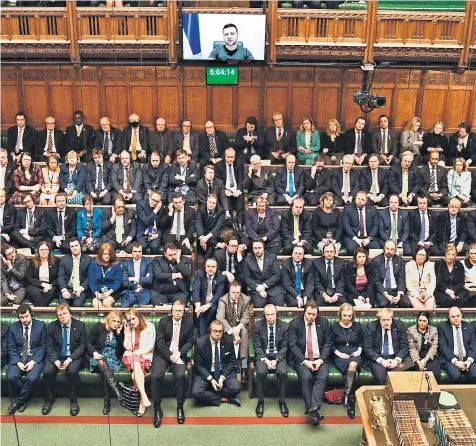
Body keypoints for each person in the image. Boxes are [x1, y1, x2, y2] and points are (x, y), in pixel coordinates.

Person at [151, 299, 194, 428]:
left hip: (179, 354)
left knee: (181, 375)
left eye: (180, 311)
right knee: (155, 376)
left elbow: (190, 341)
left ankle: (180, 407)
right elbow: (160, 342)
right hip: (163, 354)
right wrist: (170, 356)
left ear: (184, 311)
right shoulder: (163, 322)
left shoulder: (189, 323)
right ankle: (157, 409)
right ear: (172, 311)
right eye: (175, 310)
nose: (178, 313)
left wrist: (179, 353)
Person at [289, 301, 331, 425]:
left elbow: (328, 343)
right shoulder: (295, 324)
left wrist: (321, 360)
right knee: (306, 377)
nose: (312, 317)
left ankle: (312, 411)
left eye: (314, 314)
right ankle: (312, 410)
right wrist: (305, 362)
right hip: (302, 359)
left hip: (319, 359)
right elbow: (293, 345)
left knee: (322, 377)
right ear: (304, 312)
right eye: (309, 314)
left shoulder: (324, 323)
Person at [42, 303, 87, 416]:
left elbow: (82, 346)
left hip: (73, 356)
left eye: (65, 313)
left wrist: (70, 359)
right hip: (56, 356)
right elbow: (49, 347)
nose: (62, 317)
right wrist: (56, 361)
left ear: (70, 313)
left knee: (71, 371)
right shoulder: (52, 326)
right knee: (47, 371)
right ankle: (49, 399)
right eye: (59, 315)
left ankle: (73, 400)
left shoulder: (80, 325)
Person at [6, 304, 46, 415]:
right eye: (22, 317)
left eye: (27, 316)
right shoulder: (13, 327)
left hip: (34, 357)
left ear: (31, 314)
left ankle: (18, 401)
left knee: (31, 378)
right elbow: (11, 348)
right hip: (18, 357)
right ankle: (25, 397)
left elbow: (43, 347)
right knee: (12, 377)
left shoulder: (41, 325)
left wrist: (33, 361)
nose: (25, 320)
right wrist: (17, 361)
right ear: (18, 317)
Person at [192, 319, 241, 407]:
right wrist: (210, 379)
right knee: (196, 393)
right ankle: (224, 399)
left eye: (220, 331)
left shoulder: (228, 341)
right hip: (207, 372)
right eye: (215, 331)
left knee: (236, 388)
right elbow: (198, 365)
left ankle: (210, 392)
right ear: (210, 330)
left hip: (223, 371)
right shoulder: (200, 343)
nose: (218, 334)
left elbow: (232, 361)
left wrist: (223, 377)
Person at [253, 303, 289, 418]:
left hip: (278, 355)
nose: (270, 317)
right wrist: (266, 361)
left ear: (276, 314)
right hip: (264, 355)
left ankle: (282, 401)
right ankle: (260, 401)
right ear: (264, 315)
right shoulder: (258, 325)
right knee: (260, 372)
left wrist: (276, 360)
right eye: (267, 315)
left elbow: (285, 347)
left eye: (272, 314)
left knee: (283, 373)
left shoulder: (284, 326)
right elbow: (257, 346)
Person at [86, 310, 124, 415]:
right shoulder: (99, 327)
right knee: (103, 364)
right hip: (98, 356)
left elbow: (122, 348)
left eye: (118, 322)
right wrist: (94, 353)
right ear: (108, 319)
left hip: (113, 359)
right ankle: (117, 392)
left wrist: (119, 333)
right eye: (114, 321)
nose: (116, 324)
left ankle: (108, 401)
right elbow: (88, 343)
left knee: (106, 371)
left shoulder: (119, 331)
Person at [330, 304, 363, 419]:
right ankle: (350, 397)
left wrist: (359, 350)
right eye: (345, 315)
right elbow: (330, 345)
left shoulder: (357, 326)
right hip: (339, 355)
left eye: (349, 315)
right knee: (352, 366)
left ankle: (348, 396)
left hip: (354, 354)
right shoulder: (334, 327)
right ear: (340, 314)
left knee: (353, 364)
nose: (347, 318)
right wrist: (339, 354)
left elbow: (361, 342)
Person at [363, 308, 410, 385]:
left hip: (395, 357)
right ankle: (388, 396)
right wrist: (381, 361)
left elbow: (404, 346)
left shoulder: (399, 325)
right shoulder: (371, 327)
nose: (386, 322)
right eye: (383, 320)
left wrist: (397, 360)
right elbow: (368, 349)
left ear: (392, 318)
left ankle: (400, 396)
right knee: (382, 378)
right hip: (378, 358)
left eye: (388, 320)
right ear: (379, 320)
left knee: (400, 377)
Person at [122, 309, 156, 416]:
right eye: (129, 320)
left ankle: (142, 399)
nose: (131, 322)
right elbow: (127, 347)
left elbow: (151, 346)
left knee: (134, 376)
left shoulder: (150, 326)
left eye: (133, 318)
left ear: (139, 317)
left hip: (144, 356)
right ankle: (143, 398)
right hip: (130, 357)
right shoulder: (129, 328)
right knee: (136, 364)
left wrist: (136, 353)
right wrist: (127, 332)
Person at [217, 281, 250, 383]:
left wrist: (238, 327)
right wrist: (232, 331)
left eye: (237, 293)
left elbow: (246, 317)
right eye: (233, 292)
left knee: (244, 331)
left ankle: (244, 367)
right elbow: (220, 318)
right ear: (229, 291)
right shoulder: (223, 300)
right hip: (228, 328)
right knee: (228, 335)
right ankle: (233, 363)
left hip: (239, 326)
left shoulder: (245, 299)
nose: (235, 295)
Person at [242, 237, 285, 308]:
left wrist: (264, 286)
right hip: (257, 288)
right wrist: (257, 288)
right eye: (255, 248)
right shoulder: (247, 260)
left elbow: (276, 275)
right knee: (259, 305)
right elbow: (247, 278)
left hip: (272, 287)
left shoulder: (272, 257)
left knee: (279, 303)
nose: (257, 250)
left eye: (259, 248)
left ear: (263, 247)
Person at [438, 306, 476, 384]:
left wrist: (469, 360)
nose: (456, 318)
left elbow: (473, 345)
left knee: (474, 375)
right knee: (455, 376)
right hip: (450, 359)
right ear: (449, 317)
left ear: (461, 315)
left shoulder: (469, 327)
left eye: (458, 316)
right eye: (453, 316)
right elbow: (443, 347)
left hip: (468, 358)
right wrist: (455, 361)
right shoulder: (442, 327)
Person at [372, 240, 412, 308]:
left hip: (396, 290)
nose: (389, 251)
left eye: (392, 249)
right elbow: (376, 281)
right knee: (383, 304)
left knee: (407, 304)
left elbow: (401, 279)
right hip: (383, 290)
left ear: (395, 250)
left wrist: (399, 295)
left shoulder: (399, 260)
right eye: (387, 248)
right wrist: (386, 295)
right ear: (384, 248)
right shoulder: (376, 260)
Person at [193, 259, 226, 337]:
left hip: (214, 302)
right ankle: (203, 336)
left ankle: (202, 335)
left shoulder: (221, 277)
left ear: (216, 267)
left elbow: (219, 294)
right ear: (205, 267)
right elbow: (195, 289)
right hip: (202, 302)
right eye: (208, 266)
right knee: (200, 312)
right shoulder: (200, 274)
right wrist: (197, 304)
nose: (210, 269)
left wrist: (208, 305)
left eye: (213, 266)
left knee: (212, 309)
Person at [57, 237, 92, 306]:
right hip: (68, 288)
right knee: (63, 305)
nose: (74, 248)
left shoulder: (88, 259)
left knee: (77, 305)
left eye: (76, 245)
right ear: (69, 248)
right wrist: (64, 290)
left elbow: (90, 277)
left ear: (80, 246)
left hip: (81, 289)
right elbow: (61, 277)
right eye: (72, 246)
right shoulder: (64, 260)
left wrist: (81, 288)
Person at [407, 311, 440, 382]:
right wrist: (419, 362)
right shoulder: (410, 330)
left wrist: (425, 360)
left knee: (435, 374)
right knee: (418, 375)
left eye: (424, 321)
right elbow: (412, 348)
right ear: (417, 320)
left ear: (428, 321)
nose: (422, 323)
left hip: (430, 356)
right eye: (420, 320)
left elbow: (434, 347)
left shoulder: (433, 330)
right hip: (416, 357)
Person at [215, 148, 245, 227]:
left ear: (235, 157)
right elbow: (218, 181)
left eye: (232, 157)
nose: (230, 159)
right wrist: (224, 190)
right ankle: (231, 224)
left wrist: (238, 190)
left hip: (235, 189)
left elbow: (240, 178)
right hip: (226, 189)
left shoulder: (239, 163)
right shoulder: (218, 165)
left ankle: (240, 223)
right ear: (225, 157)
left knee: (241, 199)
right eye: (229, 157)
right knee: (225, 199)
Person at [89, 243, 123, 309]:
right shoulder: (94, 263)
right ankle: (101, 318)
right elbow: (91, 281)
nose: (107, 256)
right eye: (105, 254)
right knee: (97, 304)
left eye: (109, 254)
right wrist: (96, 293)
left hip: (112, 290)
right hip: (97, 290)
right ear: (101, 254)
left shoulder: (116, 264)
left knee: (106, 302)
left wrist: (108, 293)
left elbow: (118, 282)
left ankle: (108, 319)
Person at [25, 241, 58, 307]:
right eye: (41, 250)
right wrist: (42, 284)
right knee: (36, 293)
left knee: (46, 297)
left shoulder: (56, 261)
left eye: (46, 249)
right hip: (35, 285)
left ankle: (39, 314)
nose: (44, 251)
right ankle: (41, 313)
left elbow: (59, 277)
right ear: (38, 251)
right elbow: (28, 278)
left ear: (49, 250)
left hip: (51, 286)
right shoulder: (33, 261)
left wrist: (50, 286)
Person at [121, 242, 153, 307]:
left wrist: (133, 279)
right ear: (132, 252)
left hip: (144, 291)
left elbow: (149, 280)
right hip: (130, 291)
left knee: (142, 307)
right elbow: (124, 281)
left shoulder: (148, 262)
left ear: (142, 252)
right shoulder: (126, 263)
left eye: (139, 251)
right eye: (135, 251)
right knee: (124, 306)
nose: (137, 254)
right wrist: (136, 286)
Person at [136, 190, 167, 255]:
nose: (155, 203)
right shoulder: (140, 205)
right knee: (142, 247)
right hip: (143, 233)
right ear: (149, 197)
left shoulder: (161, 208)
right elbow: (146, 221)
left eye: (157, 201)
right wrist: (155, 210)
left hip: (154, 233)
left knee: (155, 247)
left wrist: (157, 234)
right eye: (153, 200)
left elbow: (163, 225)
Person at [196, 194, 225, 261]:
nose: (211, 204)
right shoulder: (201, 209)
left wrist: (207, 237)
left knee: (211, 245)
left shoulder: (220, 211)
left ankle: (205, 264)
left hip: (214, 233)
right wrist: (202, 237)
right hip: (203, 233)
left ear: (216, 204)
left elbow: (218, 226)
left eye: (214, 203)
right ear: (206, 202)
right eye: (210, 202)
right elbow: (198, 223)